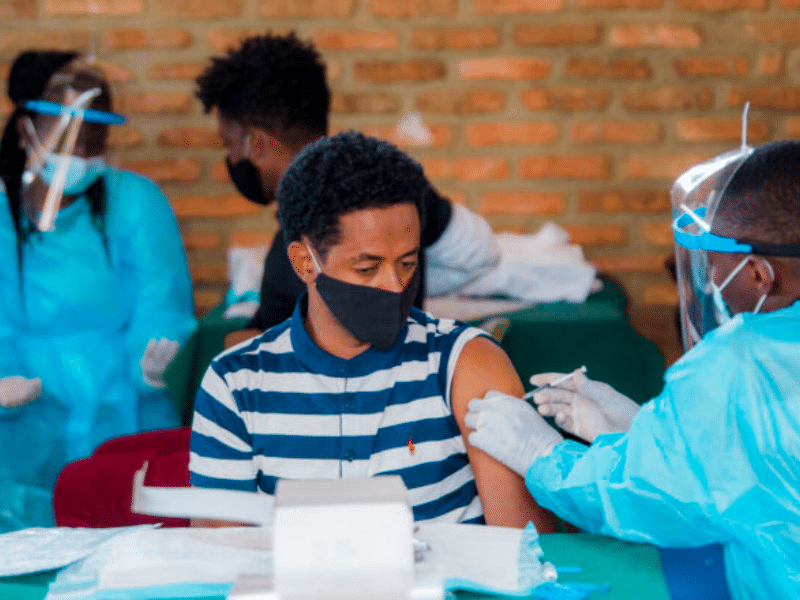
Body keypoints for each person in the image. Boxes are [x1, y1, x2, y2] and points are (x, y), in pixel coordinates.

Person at [464, 140, 800, 599]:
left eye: (717, 267)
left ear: (761, 274)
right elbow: (752, 466)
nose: (713, 282)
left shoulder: (739, 361)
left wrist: (544, 457)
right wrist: (647, 429)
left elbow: (654, 498)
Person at [189, 131, 555, 530]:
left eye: (407, 263)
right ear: (305, 263)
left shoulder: (467, 365)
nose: (395, 287)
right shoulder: (235, 385)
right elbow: (223, 564)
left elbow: (523, 557)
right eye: (367, 268)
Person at [194, 32, 499, 343]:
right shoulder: (283, 254)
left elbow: (479, 253)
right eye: (367, 268)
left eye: (229, 145)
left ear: (256, 144)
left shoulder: (396, 200)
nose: (391, 284)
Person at [0, 51, 197, 530]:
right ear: (29, 129)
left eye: (94, 142)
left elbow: (162, 302)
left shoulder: (136, 201)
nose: (81, 155)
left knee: (127, 529)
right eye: (69, 138)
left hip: (127, 407)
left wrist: (149, 371)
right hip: (25, 421)